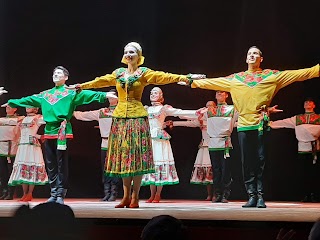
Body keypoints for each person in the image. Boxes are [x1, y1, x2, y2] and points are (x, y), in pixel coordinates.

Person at [182, 46, 320, 208]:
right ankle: (252, 195)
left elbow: (303, 73)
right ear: (246, 59)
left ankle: (260, 196)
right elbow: (211, 82)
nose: (252, 55)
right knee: (247, 162)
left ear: (261, 59)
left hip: (261, 124)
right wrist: (190, 82)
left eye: (255, 53)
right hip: (244, 126)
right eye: (249, 54)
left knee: (261, 161)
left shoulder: (272, 76)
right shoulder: (236, 79)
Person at [70, 42, 203, 208]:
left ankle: (135, 197)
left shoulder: (143, 73)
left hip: (137, 117)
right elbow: (101, 81)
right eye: (126, 52)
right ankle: (125, 197)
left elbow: (164, 76)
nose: (128, 54)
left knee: (137, 158)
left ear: (139, 56)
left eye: (132, 52)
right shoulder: (118, 73)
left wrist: (185, 77)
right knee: (125, 158)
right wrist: (81, 86)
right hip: (120, 118)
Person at [4, 66, 109, 205]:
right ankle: (53, 192)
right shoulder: (46, 94)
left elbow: (87, 95)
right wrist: (12, 102)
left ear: (66, 77)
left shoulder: (70, 93)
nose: (56, 75)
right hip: (49, 131)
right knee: (51, 164)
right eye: (54, 73)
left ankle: (60, 192)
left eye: (59, 73)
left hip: (62, 130)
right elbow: (29, 99)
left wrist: (104, 95)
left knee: (61, 163)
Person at [142, 87, 197, 203]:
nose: (152, 94)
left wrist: (196, 112)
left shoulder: (164, 108)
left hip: (159, 139)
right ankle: (151, 194)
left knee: (160, 163)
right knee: (151, 166)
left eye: (155, 93)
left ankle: (158, 194)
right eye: (151, 93)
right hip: (149, 139)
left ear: (161, 95)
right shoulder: (145, 109)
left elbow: (179, 112)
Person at [73, 89, 119, 201]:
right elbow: (83, 115)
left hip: (117, 143)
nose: (111, 98)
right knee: (105, 168)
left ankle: (114, 192)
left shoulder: (122, 111)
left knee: (115, 168)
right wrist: (69, 109)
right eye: (110, 96)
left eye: (114, 95)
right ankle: (106, 192)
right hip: (104, 142)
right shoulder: (102, 112)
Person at [270, 98, 320, 202]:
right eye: (306, 102)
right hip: (302, 148)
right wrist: (269, 123)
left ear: (314, 105)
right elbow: (283, 122)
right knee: (304, 172)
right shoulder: (298, 118)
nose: (308, 103)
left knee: (315, 172)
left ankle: (315, 194)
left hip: (315, 148)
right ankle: (306, 194)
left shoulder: (318, 118)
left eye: (310, 102)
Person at [169, 101, 214, 201]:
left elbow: (232, 124)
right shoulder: (201, 120)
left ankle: (218, 193)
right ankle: (210, 194)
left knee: (216, 170)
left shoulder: (218, 119)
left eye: (211, 106)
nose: (208, 108)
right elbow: (188, 122)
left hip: (216, 146)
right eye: (207, 106)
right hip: (205, 147)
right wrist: (174, 122)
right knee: (207, 171)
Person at [8, 107, 48, 202]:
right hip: (22, 145)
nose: (27, 107)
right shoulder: (22, 119)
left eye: (30, 106)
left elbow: (50, 120)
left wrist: (41, 136)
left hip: (32, 146)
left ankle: (30, 193)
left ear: (35, 108)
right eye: (26, 106)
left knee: (31, 167)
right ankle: (24, 193)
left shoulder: (38, 118)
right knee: (23, 168)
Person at [0, 105, 21, 200]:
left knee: (12, 170)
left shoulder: (20, 119)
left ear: (15, 108)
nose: (7, 108)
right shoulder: (2, 119)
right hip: (2, 147)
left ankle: (11, 192)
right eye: (6, 107)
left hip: (13, 146)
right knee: (2, 171)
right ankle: (4, 191)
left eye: (10, 106)